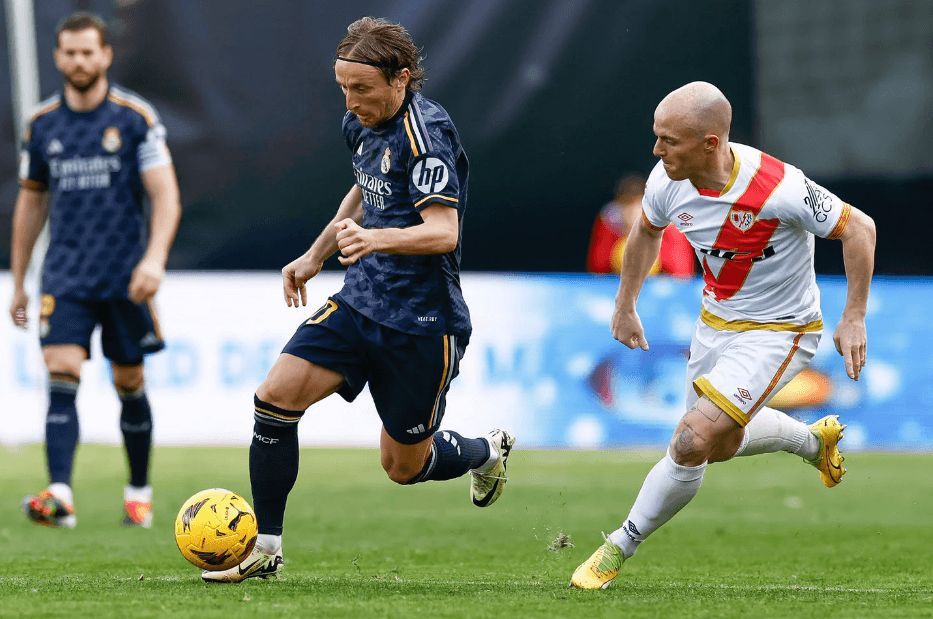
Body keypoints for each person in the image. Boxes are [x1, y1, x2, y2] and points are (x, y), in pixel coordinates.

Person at [202, 17, 515, 583]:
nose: (350, 101)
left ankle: (485, 451)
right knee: (274, 398)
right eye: (343, 88)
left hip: (423, 323)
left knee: (402, 466)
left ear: (402, 78)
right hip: (360, 303)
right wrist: (316, 253)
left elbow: (444, 232)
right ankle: (265, 548)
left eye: (362, 89)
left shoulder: (427, 134)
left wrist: (375, 239)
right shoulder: (361, 124)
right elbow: (365, 186)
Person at [570, 82, 875, 589]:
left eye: (669, 140)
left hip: (780, 332)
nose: (656, 150)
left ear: (710, 143)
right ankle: (811, 442)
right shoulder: (666, 180)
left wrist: (855, 315)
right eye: (656, 137)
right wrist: (625, 305)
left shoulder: (780, 186)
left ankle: (616, 548)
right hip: (714, 326)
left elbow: (859, 229)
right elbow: (646, 231)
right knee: (719, 443)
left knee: (691, 441)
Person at [9, 12, 181, 529]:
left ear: (105, 56)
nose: (79, 61)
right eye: (70, 52)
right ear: (58, 57)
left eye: (89, 52)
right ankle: (60, 495)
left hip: (126, 274)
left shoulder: (134, 118)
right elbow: (30, 205)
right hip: (64, 275)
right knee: (60, 370)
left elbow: (165, 195)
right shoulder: (41, 125)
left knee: (129, 378)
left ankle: (138, 493)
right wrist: (18, 280)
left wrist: (154, 259)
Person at [586, 174, 694, 276]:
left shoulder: (668, 221)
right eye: (627, 206)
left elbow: (683, 274)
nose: (632, 213)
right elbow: (596, 269)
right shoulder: (610, 218)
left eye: (639, 206)